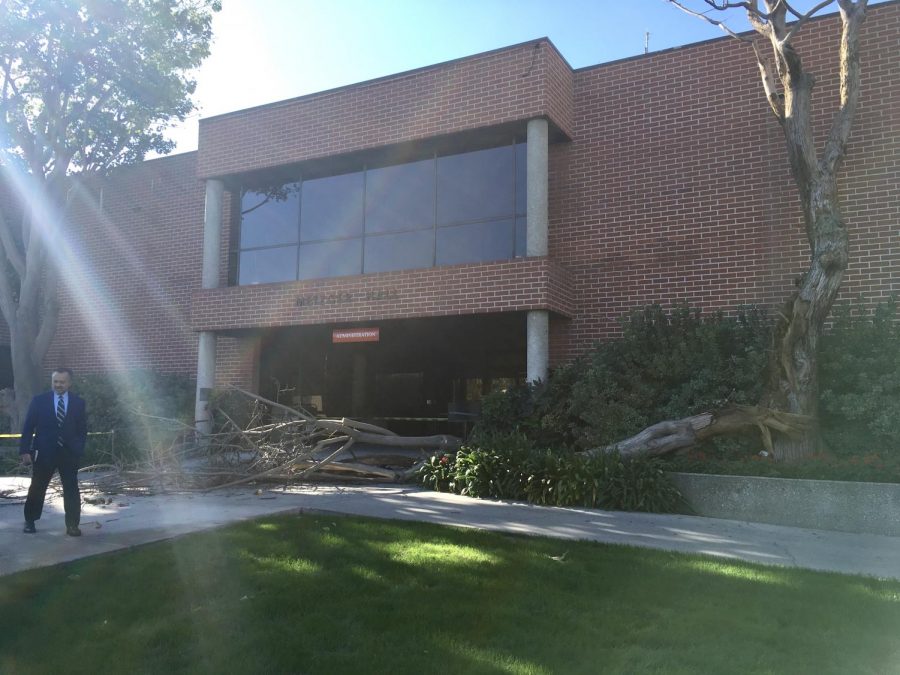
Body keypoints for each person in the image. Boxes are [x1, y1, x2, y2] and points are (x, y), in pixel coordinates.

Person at [19, 368, 88, 536]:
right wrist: (25, 450)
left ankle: (72, 525)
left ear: (69, 383)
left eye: (62, 382)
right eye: (55, 381)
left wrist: (78, 448)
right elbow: (28, 427)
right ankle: (30, 521)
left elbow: (82, 430)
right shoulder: (39, 401)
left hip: (68, 453)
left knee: (71, 489)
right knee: (37, 488)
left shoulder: (78, 403)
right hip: (44, 453)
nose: (58, 385)